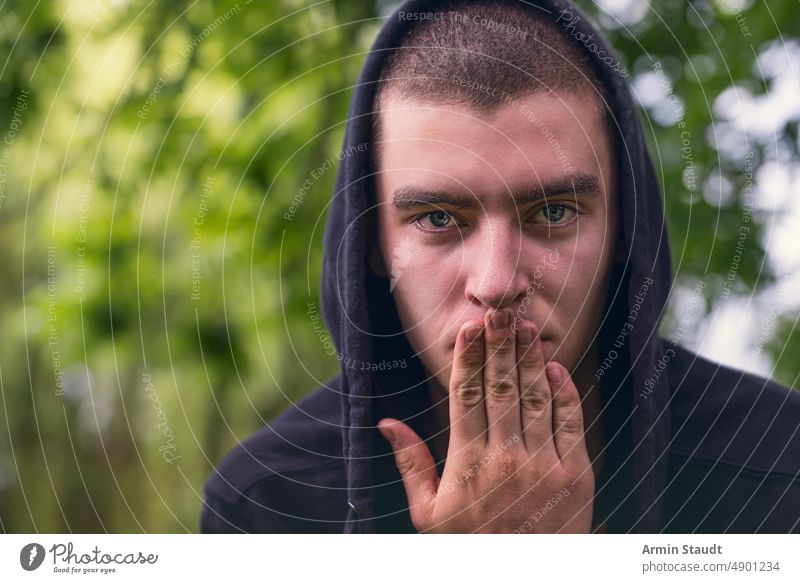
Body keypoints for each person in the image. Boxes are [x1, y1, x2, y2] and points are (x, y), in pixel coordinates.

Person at [200, 0, 800, 533]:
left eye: (555, 210)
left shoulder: (777, 466)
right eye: (437, 219)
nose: (496, 284)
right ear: (374, 245)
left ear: (624, 225)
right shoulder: (268, 504)